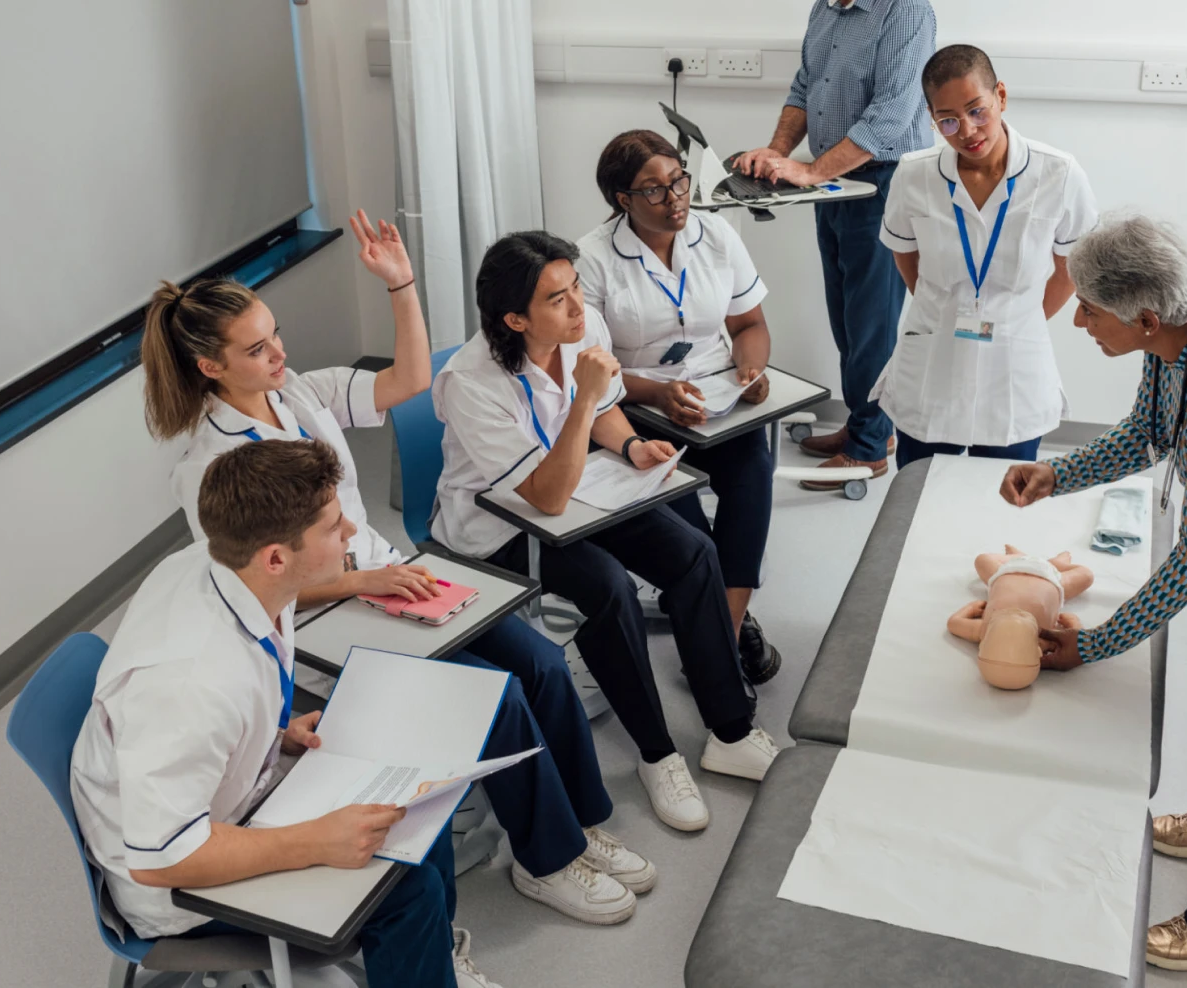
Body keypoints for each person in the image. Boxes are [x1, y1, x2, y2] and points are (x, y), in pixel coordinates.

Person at [139, 212, 653, 926]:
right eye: (258, 350)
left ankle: (582, 821)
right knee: (495, 695)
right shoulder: (209, 469)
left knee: (538, 662)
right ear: (210, 367)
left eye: (276, 335)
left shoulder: (298, 397)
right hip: (322, 621)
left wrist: (400, 285)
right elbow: (251, 590)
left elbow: (411, 378)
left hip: (389, 578)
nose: (279, 354)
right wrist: (359, 582)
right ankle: (548, 860)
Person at [69, 439, 502, 988]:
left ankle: (430, 954)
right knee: (407, 889)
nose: (350, 532)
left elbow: (228, 702)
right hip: (177, 880)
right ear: (276, 556)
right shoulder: (189, 685)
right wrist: (316, 842)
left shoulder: (218, 565)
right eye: (332, 526)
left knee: (411, 804)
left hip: (226, 796)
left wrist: (274, 736)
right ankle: (422, 954)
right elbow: (163, 860)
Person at [999, 216, 1187, 972]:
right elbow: (1149, 431)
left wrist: (1093, 645)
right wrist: (1060, 474)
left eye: (1088, 308)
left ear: (1145, 318)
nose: (1079, 319)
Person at [431, 230, 780, 833]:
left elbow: (607, 411)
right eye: (558, 299)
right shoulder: (471, 383)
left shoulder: (580, 327)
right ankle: (657, 754)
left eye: (575, 289)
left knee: (695, 552)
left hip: (583, 491)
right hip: (500, 527)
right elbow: (544, 494)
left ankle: (730, 729)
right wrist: (585, 399)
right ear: (515, 318)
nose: (578, 308)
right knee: (607, 587)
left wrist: (631, 442)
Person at [734, 0, 935, 490]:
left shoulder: (905, 6)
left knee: (871, 325)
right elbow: (805, 87)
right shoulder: (825, 10)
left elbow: (890, 120)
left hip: (884, 186)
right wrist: (777, 155)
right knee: (846, 322)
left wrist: (811, 172)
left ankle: (872, 447)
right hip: (833, 188)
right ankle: (865, 424)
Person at [574, 129, 780, 685]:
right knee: (687, 526)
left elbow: (750, 326)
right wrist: (657, 393)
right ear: (623, 200)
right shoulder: (591, 260)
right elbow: (593, 369)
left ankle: (725, 631)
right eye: (655, 191)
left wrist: (749, 370)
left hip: (718, 396)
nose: (676, 199)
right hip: (634, 407)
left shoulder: (714, 233)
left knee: (753, 470)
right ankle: (717, 635)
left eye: (679, 181)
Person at [873, 44, 1096, 469]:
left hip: (1013, 362)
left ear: (1002, 97)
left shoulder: (1058, 173)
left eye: (978, 110)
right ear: (933, 120)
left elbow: (1072, 267)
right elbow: (905, 254)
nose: (968, 131)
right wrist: (945, 309)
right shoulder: (914, 174)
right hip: (933, 353)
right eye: (949, 120)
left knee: (1002, 497)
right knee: (918, 490)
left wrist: (1017, 317)